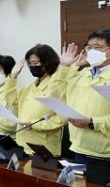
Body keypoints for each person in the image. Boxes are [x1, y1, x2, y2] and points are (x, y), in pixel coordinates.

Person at [56, 31, 110, 166]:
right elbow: (56, 93)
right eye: (89, 47)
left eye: (97, 47)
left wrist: (92, 122)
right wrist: (65, 66)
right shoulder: (82, 73)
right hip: (78, 147)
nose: (92, 51)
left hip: (104, 152)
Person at [14, 44, 65, 156]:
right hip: (22, 144)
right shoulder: (29, 86)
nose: (32, 67)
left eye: (35, 63)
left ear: (47, 62)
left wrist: (34, 125)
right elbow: (11, 102)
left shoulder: (56, 85)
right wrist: (12, 78)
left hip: (43, 147)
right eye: (30, 64)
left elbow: (62, 117)